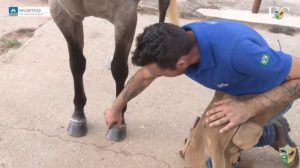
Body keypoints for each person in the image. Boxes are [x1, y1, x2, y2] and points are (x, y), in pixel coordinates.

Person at [104, 20, 299, 167]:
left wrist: (248, 108)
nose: (152, 75)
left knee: (222, 148)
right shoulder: (180, 40)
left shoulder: (239, 52)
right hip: (235, 84)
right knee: (197, 156)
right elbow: (145, 76)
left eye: (158, 73)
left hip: (271, 91)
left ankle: (273, 133)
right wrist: (116, 107)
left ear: (181, 64)